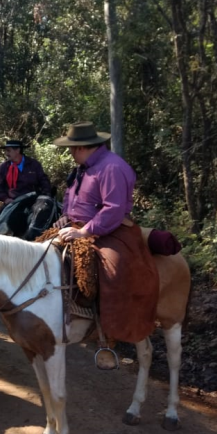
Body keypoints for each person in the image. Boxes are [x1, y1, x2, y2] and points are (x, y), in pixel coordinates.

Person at [52, 122, 159, 369]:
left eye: (71, 148)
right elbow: (71, 199)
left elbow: (113, 210)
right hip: (77, 226)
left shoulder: (112, 167)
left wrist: (84, 231)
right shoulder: (82, 167)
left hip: (111, 229)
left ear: (81, 147)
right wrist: (65, 217)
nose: (70, 153)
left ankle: (106, 334)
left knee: (112, 269)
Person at [0, 139, 52, 228]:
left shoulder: (33, 164)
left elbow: (44, 181)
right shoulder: (3, 168)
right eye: (6, 151)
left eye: (9, 150)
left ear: (17, 150)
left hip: (33, 201)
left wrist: (45, 196)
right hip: (13, 202)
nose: (6, 153)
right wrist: (5, 198)